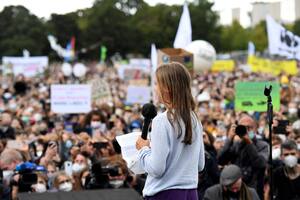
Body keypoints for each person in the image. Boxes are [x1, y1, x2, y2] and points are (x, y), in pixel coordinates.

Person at [136, 62, 205, 200]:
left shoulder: (162, 121)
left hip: (164, 194)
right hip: (190, 193)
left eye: (157, 84)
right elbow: (200, 164)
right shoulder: (195, 119)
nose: (155, 89)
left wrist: (143, 149)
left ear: (167, 88)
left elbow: (157, 168)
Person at [218, 115, 268, 199]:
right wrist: (229, 138)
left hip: (254, 191)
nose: (246, 130)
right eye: (243, 127)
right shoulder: (236, 145)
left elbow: (260, 163)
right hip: (235, 190)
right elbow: (221, 160)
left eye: (249, 128)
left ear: (255, 129)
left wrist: (249, 142)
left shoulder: (263, 145)